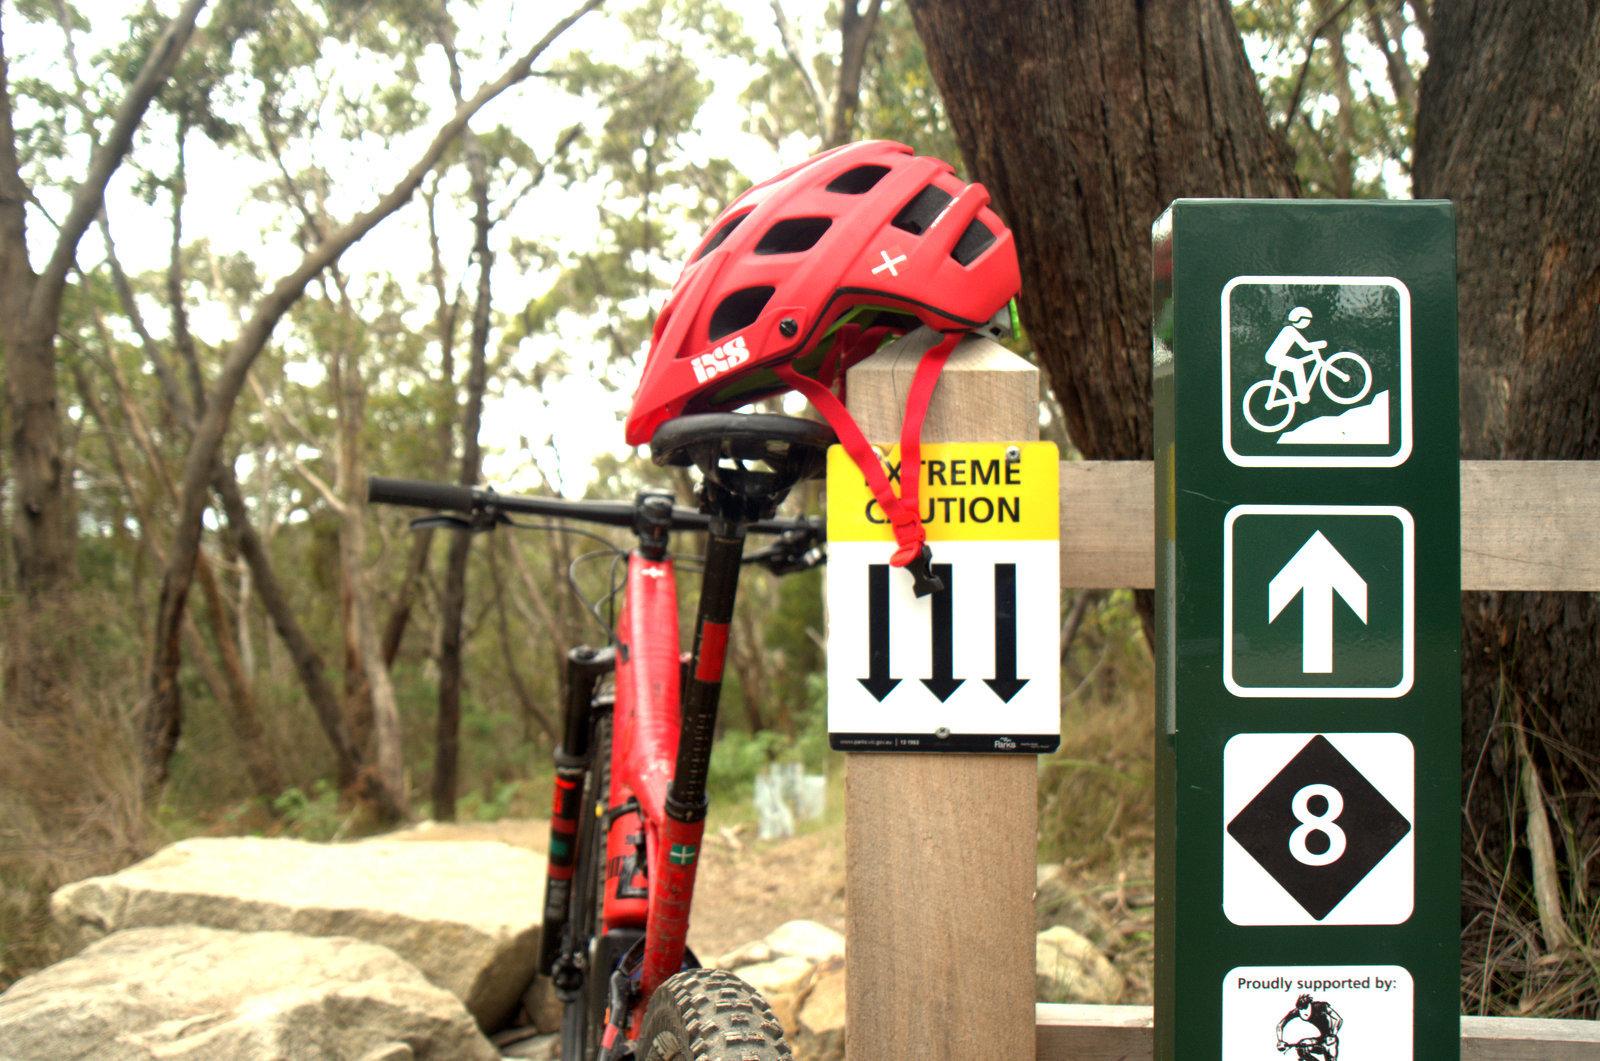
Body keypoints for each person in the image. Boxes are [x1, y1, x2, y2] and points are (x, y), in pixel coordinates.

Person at [1262, 306, 1327, 402]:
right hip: (1274, 357)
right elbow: (1305, 346)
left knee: (1297, 362)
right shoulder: (1290, 330)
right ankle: (1302, 395)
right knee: (1297, 365)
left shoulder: (1290, 329)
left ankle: (1302, 394)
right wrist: (1321, 344)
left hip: (1277, 356)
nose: (1307, 322)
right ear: (1300, 320)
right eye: (1306, 320)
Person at [1276, 992, 1342, 1059]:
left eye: (1305, 1009)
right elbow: (1280, 1025)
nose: (1304, 1013)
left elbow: (1338, 1019)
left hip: (1330, 1040)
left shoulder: (1320, 1006)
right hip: (1319, 1040)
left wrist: (1333, 1034)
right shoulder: (1296, 1011)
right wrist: (1280, 1041)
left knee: (1330, 1053)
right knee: (1301, 1048)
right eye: (1301, 1010)